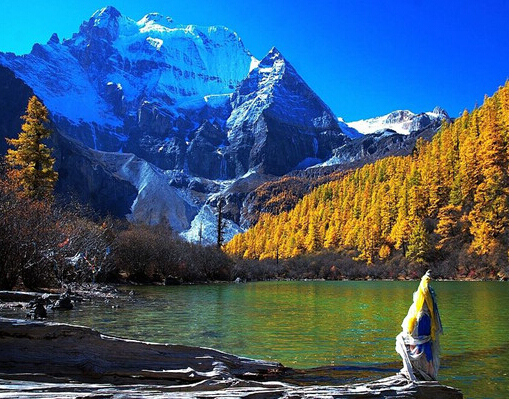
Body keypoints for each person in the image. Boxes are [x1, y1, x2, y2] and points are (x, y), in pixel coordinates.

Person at [395, 270, 443, 381]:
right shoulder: (425, 313)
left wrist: (425, 278)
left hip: (422, 329)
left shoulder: (421, 314)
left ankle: (419, 371)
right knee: (424, 350)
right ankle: (424, 373)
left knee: (419, 348)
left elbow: (423, 290)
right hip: (424, 331)